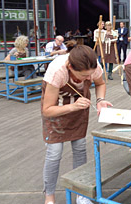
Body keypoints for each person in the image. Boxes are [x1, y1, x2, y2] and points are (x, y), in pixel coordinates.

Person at [41, 45, 112, 204]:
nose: (88, 79)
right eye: (83, 76)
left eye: (90, 75)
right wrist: (72, 106)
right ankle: (49, 196)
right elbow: (47, 110)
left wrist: (100, 100)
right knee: (54, 152)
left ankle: (81, 193)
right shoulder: (57, 72)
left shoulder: (93, 66)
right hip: (56, 109)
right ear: (70, 67)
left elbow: (100, 83)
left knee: (80, 148)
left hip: (79, 107)